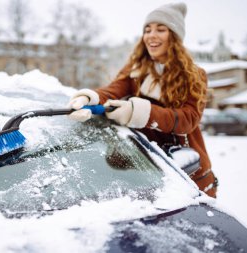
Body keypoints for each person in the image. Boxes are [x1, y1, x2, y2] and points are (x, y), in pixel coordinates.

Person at [67, 2, 218, 197]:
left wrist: (137, 112)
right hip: (143, 170)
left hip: (188, 173)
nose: (151, 35)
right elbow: (113, 90)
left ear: (174, 36)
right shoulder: (136, 70)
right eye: (147, 30)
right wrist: (89, 97)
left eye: (160, 29)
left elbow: (188, 119)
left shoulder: (195, 75)